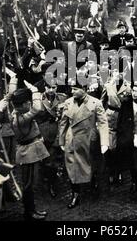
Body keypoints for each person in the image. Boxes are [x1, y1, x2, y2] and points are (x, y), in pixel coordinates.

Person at [58, 82, 109, 208]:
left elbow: (103, 123)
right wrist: (61, 140)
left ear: (84, 89)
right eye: (72, 89)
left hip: (89, 139)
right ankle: (75, 194)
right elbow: (63, 123)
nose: (72, 91)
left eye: (75, 89)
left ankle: (93, 184)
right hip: (72, 139)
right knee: (72, 167)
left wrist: (104, 142)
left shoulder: (95, 102)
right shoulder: (68, 102)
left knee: (91, 165)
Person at [10, 87, 50, 221]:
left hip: (29, 150)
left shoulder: (17, 113)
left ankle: (31, 210)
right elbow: (37, 108)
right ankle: (29, 212)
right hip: (28, 152)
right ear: (21, 105)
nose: (30, 104)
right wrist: (35, 91)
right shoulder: (20, 118)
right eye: (27, 102)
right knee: (29, 185)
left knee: (30, 184)